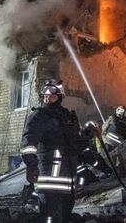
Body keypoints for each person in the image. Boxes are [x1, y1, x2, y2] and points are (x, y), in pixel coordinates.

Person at [20, 80, 96, 223]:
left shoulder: (68, 117)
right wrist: (31, 165)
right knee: (49, 219)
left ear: (60, 97)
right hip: (49, 183)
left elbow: (75, 145)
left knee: (65, 219)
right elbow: (28, 143)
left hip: (68, 184)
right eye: (46, 96)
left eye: (52, 96)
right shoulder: (38, 116)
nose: (48, 99)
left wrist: (87, 134)